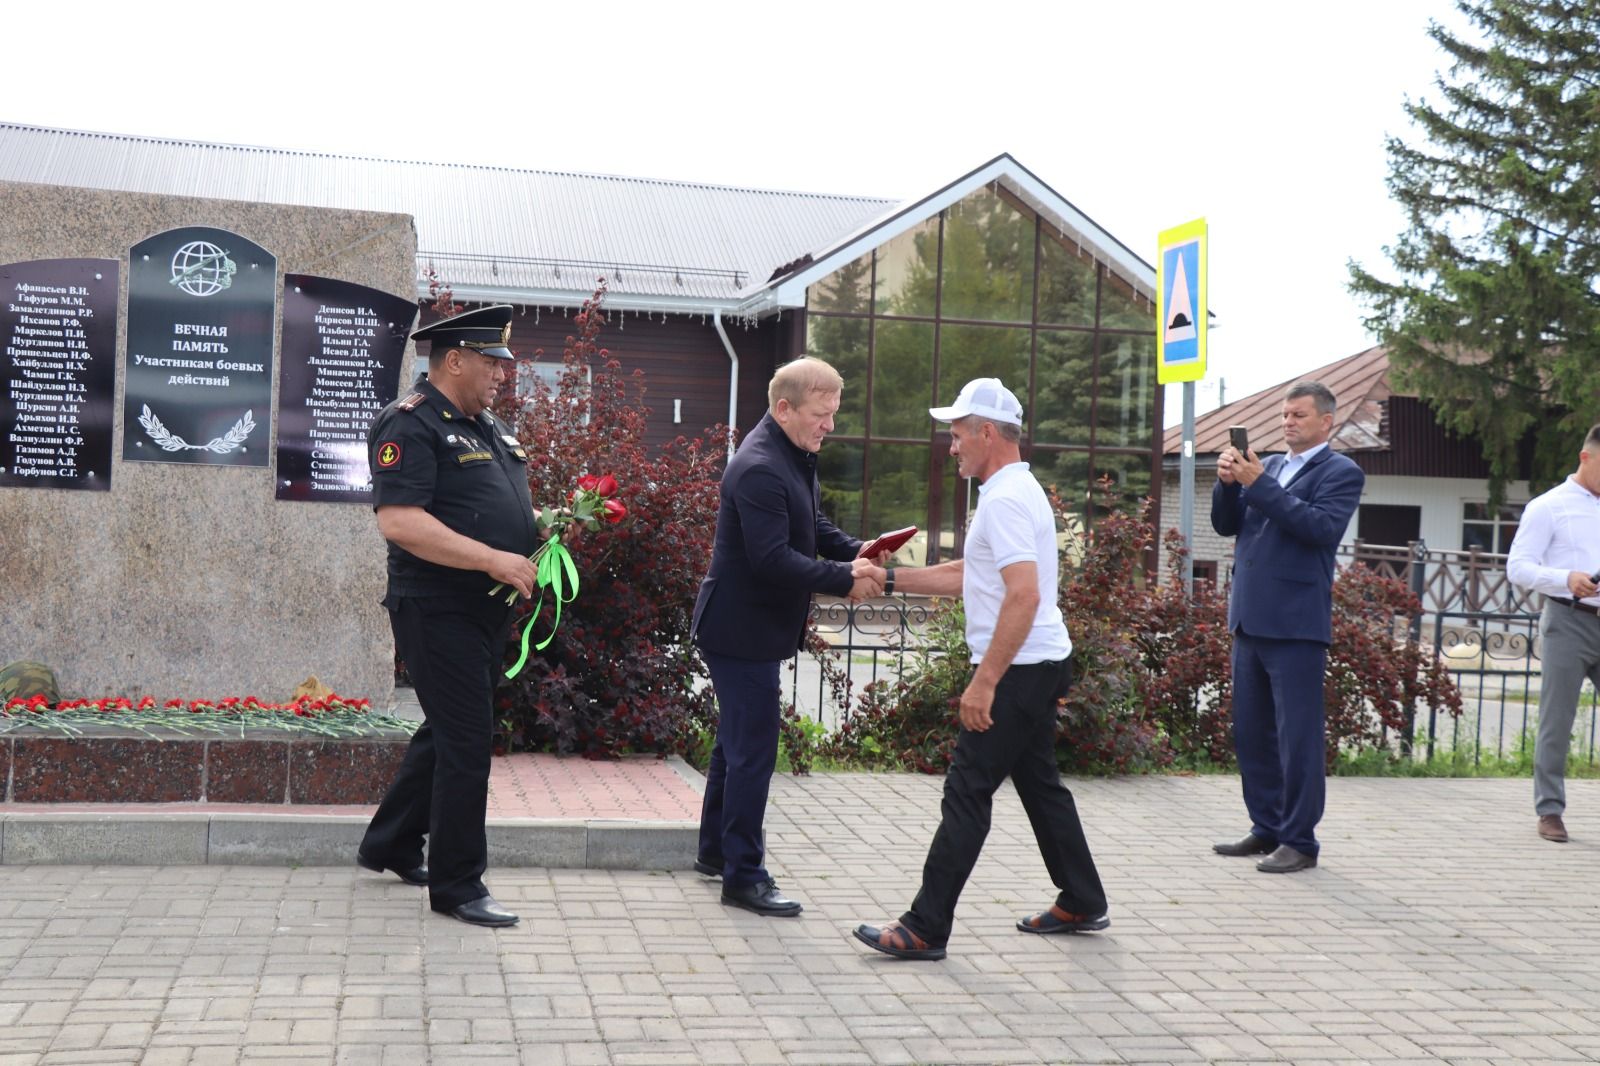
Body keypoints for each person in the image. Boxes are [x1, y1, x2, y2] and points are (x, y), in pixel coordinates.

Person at [852, 378, 1108, 961]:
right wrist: (889, 579)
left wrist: (985, 680)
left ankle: (923, 927)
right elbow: (976, 573)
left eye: (957, 432)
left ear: (987, 433)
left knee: (967, 791)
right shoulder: (1010, 492)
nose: (951, 445)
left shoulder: (1007, 499)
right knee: (1041, 786)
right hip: (1040, 663)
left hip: (1019, 670)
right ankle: (1083, 899)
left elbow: (1023, 596)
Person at [357, 304, 540, 928]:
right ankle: (459, 886)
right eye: (491, 362)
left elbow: (495, 504)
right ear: (453, 360)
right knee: (467, 741)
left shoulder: (486, 426)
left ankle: (390, 843)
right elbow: (401, 521)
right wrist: (492, 556)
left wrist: (546, 532)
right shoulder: (409, 425)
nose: (500, 375)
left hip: (483, 608)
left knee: (446, 731)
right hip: (436, 608)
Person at [692, 356, 883, 917]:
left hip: (747, 628)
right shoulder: (759, 467)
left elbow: (810, 526)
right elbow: (773, 559)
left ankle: (714, 854)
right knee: (753, 753)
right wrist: (846, 580)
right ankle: (744, 877)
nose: (830, 425)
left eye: (833, 415)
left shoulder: (791, 454)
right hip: (739, 630)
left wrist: (858, 551)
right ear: (784, 408)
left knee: (735, 746)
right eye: (822, 415)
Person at [1210, 380, 1364, 873]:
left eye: (1299, 415)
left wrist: (1258, 484)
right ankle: (1267, 826)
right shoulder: (1270, 465)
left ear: (1326, 421)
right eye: (1284, 415)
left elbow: (1318, 528)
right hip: (1250, 617)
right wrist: (1228, 483)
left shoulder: (1341, 472)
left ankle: (1300, 840)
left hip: (1296, 626)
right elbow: (1226, 525)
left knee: (1296, 737)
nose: (1288, 422)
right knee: (1251, 733)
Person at [1505, 424, 1600, 844]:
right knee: (1557, 720)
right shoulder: (1548, 506)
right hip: (1568, 620)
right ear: (1585, 457)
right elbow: (1518, 567)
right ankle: (1549, 810)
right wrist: (1566, 577)